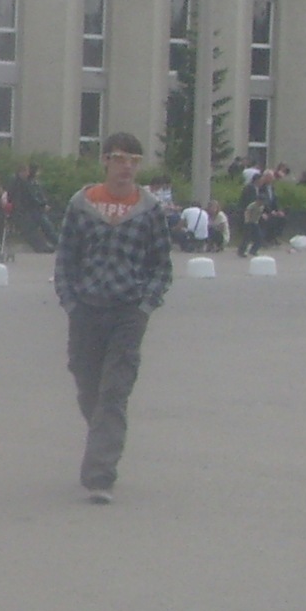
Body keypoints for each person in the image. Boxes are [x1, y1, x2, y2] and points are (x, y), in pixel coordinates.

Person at [53, 131, 173, 501]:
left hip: (127, 312)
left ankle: (99, 476)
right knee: (88, 385)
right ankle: (103, 435)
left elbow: (162, 266)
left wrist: (145, 306)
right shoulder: (82, 205)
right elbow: (65, 258)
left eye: (134, 161)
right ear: (105, 160)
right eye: (120, 158)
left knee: (114, 392)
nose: (127, 167)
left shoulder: (149, 210)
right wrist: (70, 301)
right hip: (86, 310)